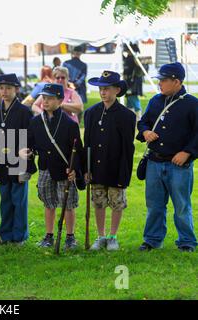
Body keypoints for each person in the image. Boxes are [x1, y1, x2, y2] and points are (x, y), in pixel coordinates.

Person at [137, 62, 198, 252]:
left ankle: (187, 242)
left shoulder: (192, 104)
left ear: (177, 81)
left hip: (179, 164)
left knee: (181, 207)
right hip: (154, 162)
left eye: (164, 80)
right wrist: (145, 132)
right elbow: (143, 122)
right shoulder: (155, 100)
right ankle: (152, 240)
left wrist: (187, 152)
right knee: (154, 206)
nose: (160, 84)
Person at [22, 83, 83, 249]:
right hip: (45, 168)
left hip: (64, 169)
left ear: (60, 100)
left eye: (50, 98)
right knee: (48, 203)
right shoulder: (35, 122)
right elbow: (30, 144)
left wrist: (74, 170)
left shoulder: (70, 124)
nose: (45, 101)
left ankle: (70, 237)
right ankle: (48, 235)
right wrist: (27, 152)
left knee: (68, 204)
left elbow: (77, 150)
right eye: (44, 97)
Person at [84, 70, 136, 251]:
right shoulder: (91, 113)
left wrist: (124, 174)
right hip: (96, 168)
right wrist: (87, 168)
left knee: (116, 202)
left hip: (115, 167)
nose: (103, 92)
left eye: (107, 89)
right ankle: (101, 236)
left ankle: (113, 236)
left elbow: (128, 148)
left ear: (117, 90)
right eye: (100, 89)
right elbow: (87, 144)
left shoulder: (126, 116)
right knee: (98, 202)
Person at [0, 73, 35, 245]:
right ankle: (5, 235)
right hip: (3, 162)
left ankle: (19, 236)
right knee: (5, 199)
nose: (4, 91)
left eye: (8, 88)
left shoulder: (25, 112)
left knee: (18, 200)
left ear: (16, 90)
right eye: (2, 88)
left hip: (20, 162)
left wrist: (26, 159)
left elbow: (31, 139)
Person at [122, 42, 144, 121]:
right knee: (128, 101)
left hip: (133, 82)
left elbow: (139, 69)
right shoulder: (127, 58)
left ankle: (139, 119)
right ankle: (130, 118)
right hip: (127, 81)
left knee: (133, 98)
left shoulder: (136, 58)